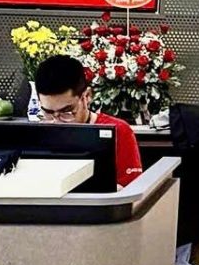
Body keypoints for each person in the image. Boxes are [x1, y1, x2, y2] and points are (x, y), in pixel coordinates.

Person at [25, 54, 142, 187]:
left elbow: (131, 189)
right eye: (48, 112)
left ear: (87, 96)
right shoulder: (38, 135)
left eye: (67, 112)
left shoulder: (118, 130)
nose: (57, 122)